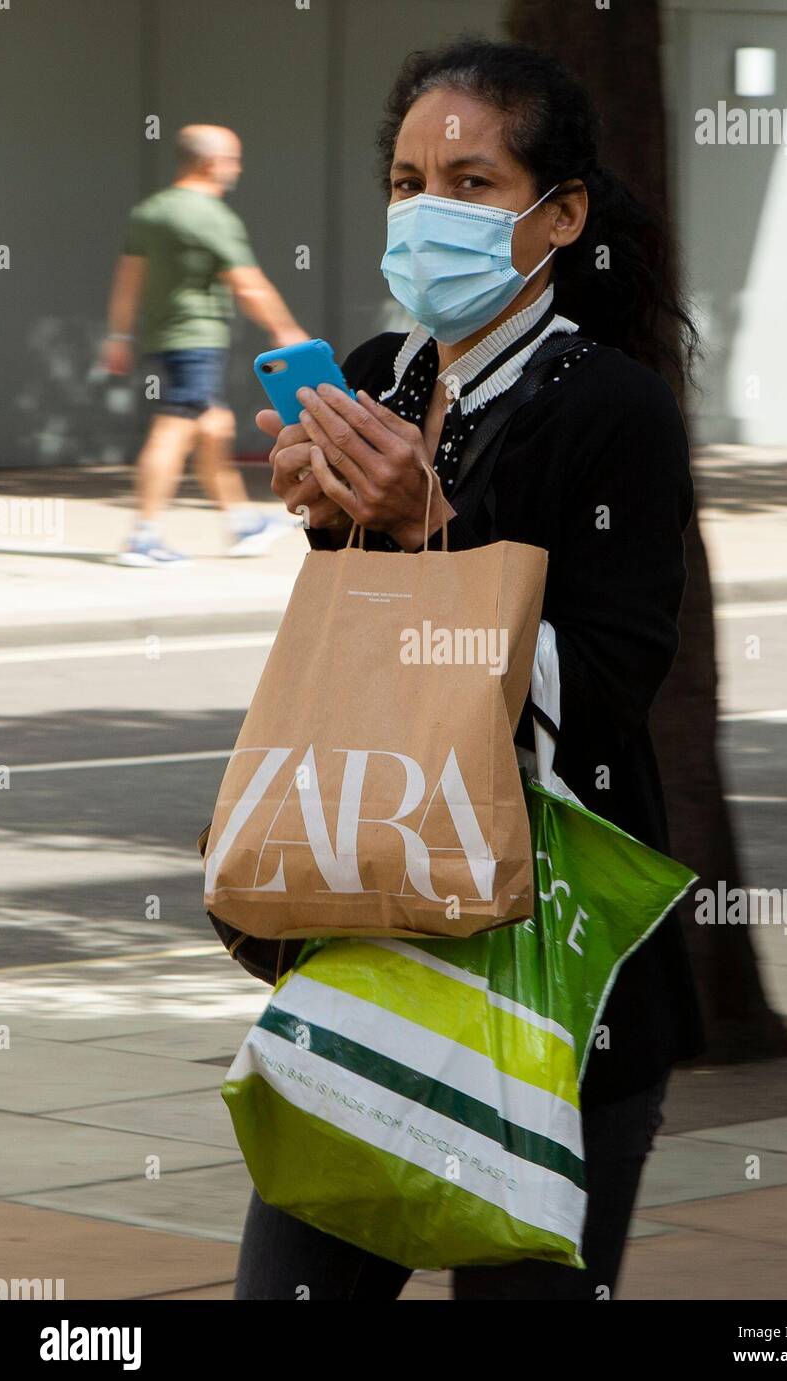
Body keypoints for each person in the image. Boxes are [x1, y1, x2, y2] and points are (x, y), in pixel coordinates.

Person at [236, 36, 705, 1300]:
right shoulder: (379, 374)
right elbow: (362, 657)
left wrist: (419, 526)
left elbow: (602, 691)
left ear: (560, 214)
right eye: (403, 182)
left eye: (470, 182)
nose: (424, 211)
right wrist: (328, 517)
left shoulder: (610, 406)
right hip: (372, 936)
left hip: (550, 978)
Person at [101, 124, 309, 566]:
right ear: (211, 162)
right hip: (196, 339)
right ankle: (142, 535)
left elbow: (128, 277)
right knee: (174, 428)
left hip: (167, 338)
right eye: (233, 159)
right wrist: (286, 330)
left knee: (214, 427)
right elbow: (248, 285)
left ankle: (242, 522)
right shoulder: (210, 216)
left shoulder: (151, 211)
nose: (237, 168)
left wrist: (119, 334)